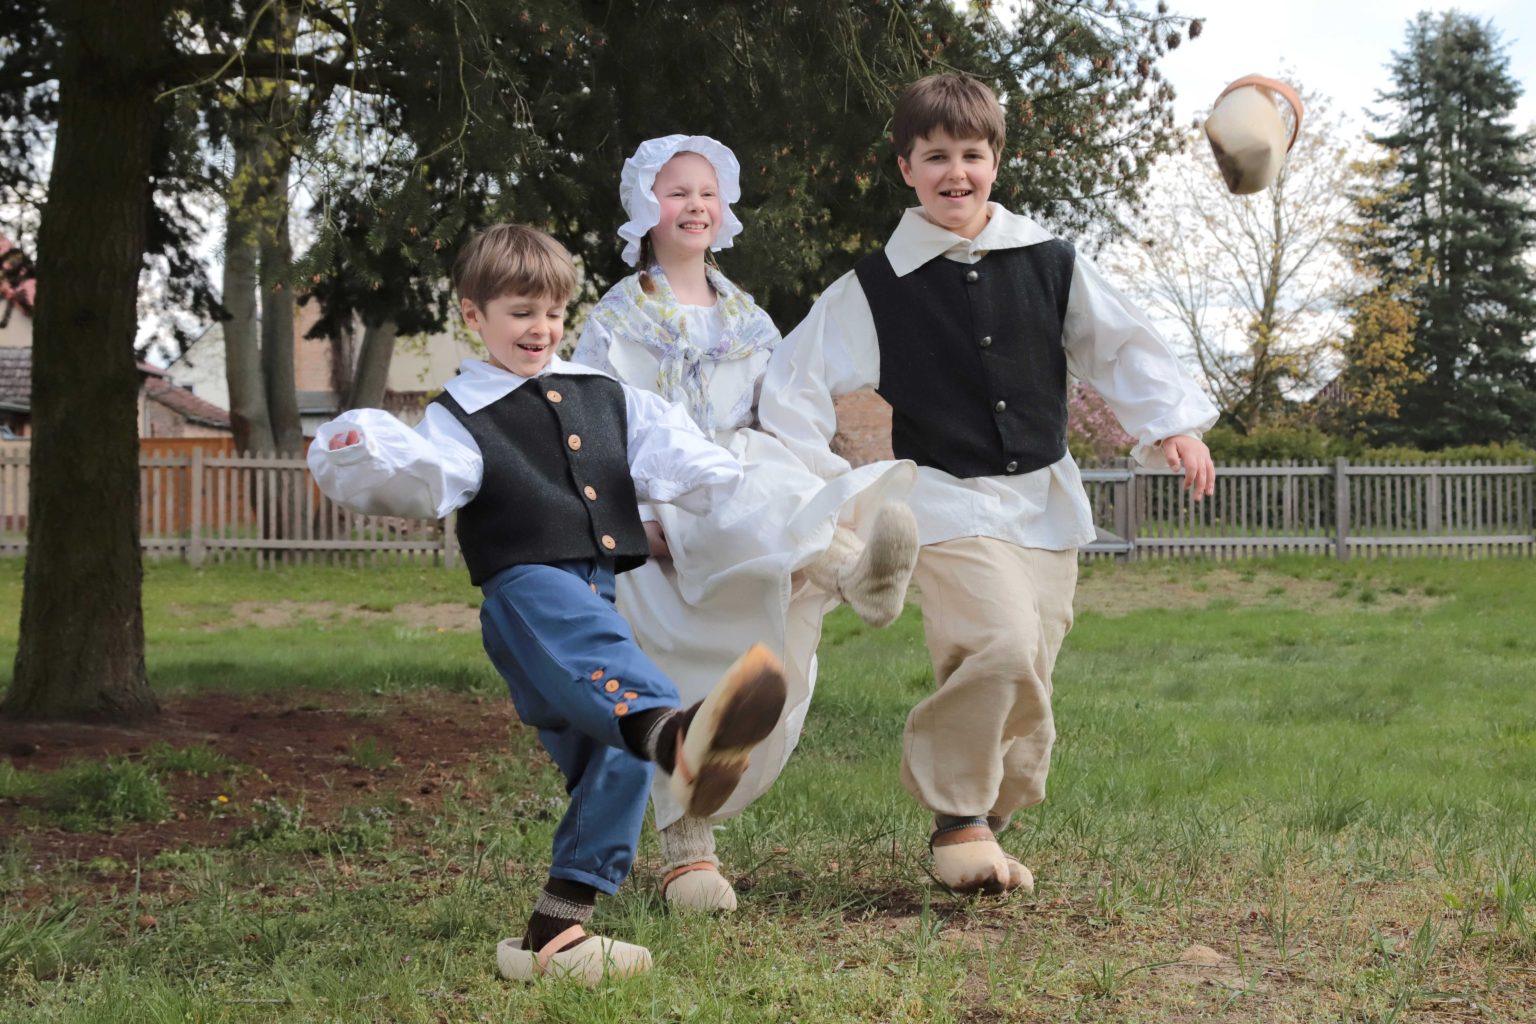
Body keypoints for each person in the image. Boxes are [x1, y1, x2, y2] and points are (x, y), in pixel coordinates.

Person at [758, 74, 1219, 895]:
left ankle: (992, 818)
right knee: (998, 645)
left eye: (972, 154)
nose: (955, 173)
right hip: (944, 499)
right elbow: (791, 383)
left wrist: (1170, 424)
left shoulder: (1048, 261)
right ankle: (958, 817)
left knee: (1032, 665)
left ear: (996, 161)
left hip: (1044, 500)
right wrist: (827, 486)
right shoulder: (874, 287)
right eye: (936, 157)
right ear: (906, 167)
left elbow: (1119, 345)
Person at [308, 224, 789, 984]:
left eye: (553, 314)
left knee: (612, 758)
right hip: (530, 593)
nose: (540, 329)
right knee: (641, 699)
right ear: (474, 315)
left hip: (597, 588)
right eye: (520, 312)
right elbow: (428, 473)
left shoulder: (606, 397)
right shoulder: (461, 415)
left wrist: (758, 498)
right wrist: (363, 448)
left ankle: (553, 936)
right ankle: (676, 735)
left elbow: (680, 454)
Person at [572, 135, 919, 913]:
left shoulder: (748, 316)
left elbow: (783, 410)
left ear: (724, 209)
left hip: (736, 475)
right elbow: (592, 419)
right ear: (643, 208)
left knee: (763, 504)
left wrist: (817, 466)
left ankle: (842, 564)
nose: (693, 205)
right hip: (657, 489)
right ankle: (687, 856)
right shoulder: (619, 316)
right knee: (680, 673)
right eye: (675, 192)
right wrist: (623, 521)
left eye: (706, 192)